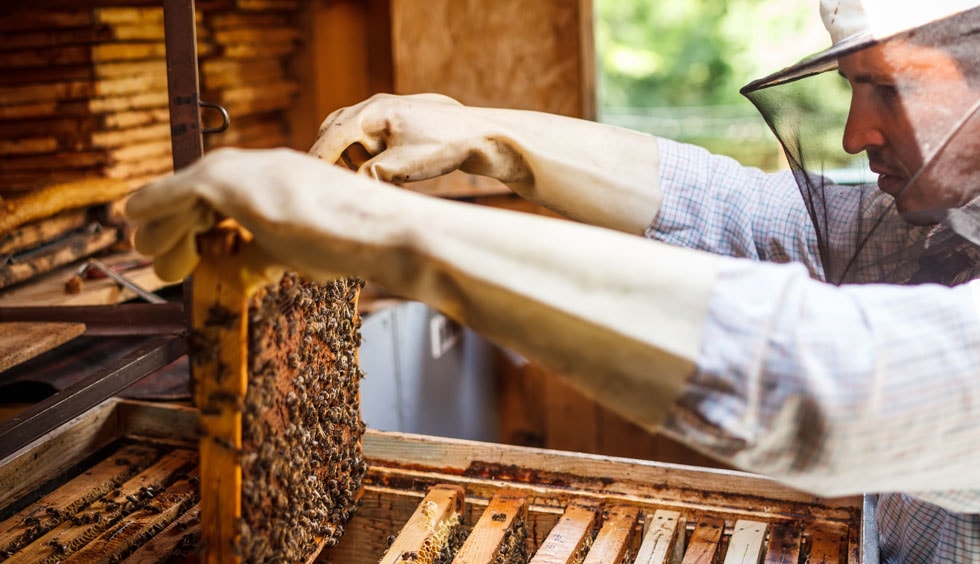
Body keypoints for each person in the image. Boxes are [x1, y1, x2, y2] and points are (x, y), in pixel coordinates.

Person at [127, 0, 980, 561]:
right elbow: (752, 213)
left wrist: (382, 232)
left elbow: (834, 384)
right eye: (851, 88)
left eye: (888, 87)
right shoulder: (940, 223)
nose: (854, 131)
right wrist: (484, 133)